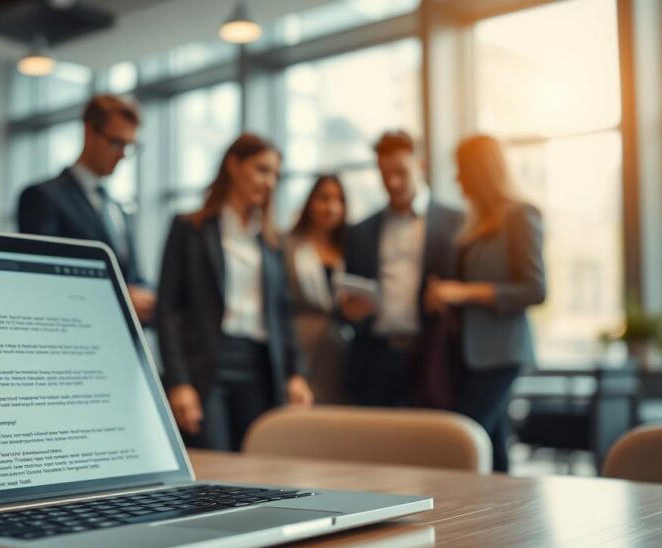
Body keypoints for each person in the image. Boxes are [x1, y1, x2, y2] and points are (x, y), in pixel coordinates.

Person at [156, 133, 314, 451]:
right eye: (261, 170)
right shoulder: (190, 229)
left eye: (275, 175)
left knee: (259, 466)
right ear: (233, 165)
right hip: (208, 365)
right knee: (214, 463)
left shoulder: (271, 241)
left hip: (259, 365)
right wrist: (179, 382)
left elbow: (282, 313)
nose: (269, 182)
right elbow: (168, 311)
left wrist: (296, 373)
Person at [424, 134, 546, 473]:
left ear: (480, 170)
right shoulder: (474, 223)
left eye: (462, 170)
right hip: (468, 351)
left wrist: (462, 292)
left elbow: (535, 289)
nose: (457, 178)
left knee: (466, 434)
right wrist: (444, 295)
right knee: (491, 440)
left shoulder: (521, 215)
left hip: (502, 351)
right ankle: (505, 518)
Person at [340, 130, 464, 407]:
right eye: (384, 174)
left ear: (421, 164)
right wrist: (351, 312)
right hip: (374, 359)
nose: (392, 183)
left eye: (400, 172)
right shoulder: (361, 231)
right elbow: (347, 303)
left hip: (431, 356)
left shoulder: (456, 223)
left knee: (425, 445)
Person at [16, 94, 155, 324]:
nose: (122, 155)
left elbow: (133, 277)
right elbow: (42, 278)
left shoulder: (118, 208)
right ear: (89, 132)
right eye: (116, 143)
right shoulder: (43, 197)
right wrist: (118, 298)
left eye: (130, 147)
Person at [284, 175, 350, 404]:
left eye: (338, 200)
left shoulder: (350, 248)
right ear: (310, 202)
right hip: (301, 345)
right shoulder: (288, 246)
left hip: (339, 350)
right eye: (323, 198)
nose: (331, 207)